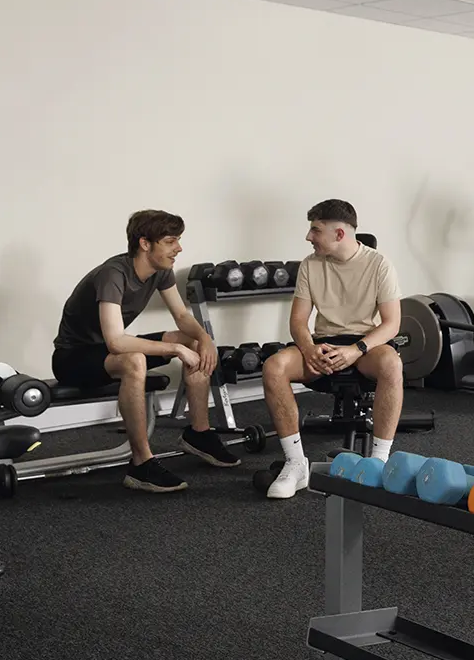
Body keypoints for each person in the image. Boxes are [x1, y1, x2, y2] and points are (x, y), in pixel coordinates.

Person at [52, 209, 240, 494]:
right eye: (170, 241)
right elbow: (116, 341)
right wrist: (174, 348)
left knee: (192, 342)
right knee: (135, 360)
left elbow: (181, 316)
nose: (178, 248)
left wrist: (204, 338)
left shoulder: (160, 272)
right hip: (73, 358)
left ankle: (198, 434)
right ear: (145, 244)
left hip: (106, 350)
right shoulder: (112, 275)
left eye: (178, 240)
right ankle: (141, 463)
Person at [260, 199, 404, 500]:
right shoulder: (310, 265)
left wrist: (356, 349)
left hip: (363, 345)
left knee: (392, 363)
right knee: (274, 366)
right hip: (322, 342)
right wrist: (309, 348)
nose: (308, 237)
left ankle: (378, 462)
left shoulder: (379, 264)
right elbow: (298, 321)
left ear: (339, 234)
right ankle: (296, 464)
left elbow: (391, 324)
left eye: (315, 230)